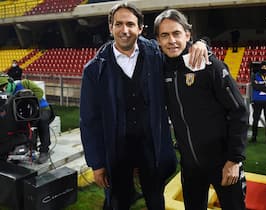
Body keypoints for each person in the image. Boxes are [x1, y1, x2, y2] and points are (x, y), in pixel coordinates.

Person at [79, 3, 209, 210]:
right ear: (110, 28)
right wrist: (97, 163)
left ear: (140, 28)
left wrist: (202, 43)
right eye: (119, 24)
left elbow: (179, 45)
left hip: (153, 150)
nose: (125, 30)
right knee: (116, 202)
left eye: (130, 24)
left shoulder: (156, 54)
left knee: (156, 200)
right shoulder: (94, 69)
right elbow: (89, 120)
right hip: (117, 151)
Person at [154, 9, 249, 210]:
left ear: (188, 35)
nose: (171, 40)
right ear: (158, 40)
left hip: (223, 163)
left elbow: (239, 110)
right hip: (190, 166)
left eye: (176, 33)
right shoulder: (161, 69)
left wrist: (234, 160)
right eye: (164, 35)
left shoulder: (209, 65)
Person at [0, 75, 54, 164]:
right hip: (24, 113)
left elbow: (39, 92)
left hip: (41, 108)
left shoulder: (24, 83)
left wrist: (28, 98)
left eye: (5, 86)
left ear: (10, 82)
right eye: (2, 88)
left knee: (42, 122)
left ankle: (44, 150)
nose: (4, 89)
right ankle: (22, 148)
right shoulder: (7, 97)